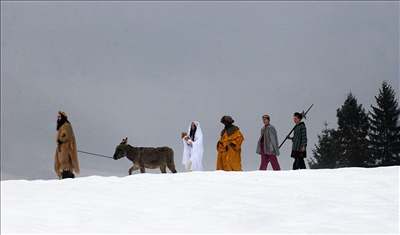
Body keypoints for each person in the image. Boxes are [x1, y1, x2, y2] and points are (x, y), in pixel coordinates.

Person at [54, 111, 80, 179]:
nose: (58, 118)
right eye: (58, 117)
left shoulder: (67, 125)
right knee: (58, 162)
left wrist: (61, 140)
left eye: (59, 117)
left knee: (66, 162)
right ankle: (63, 174)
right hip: (61, 148)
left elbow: (68, 136)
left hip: (66, 148)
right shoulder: (61, 126)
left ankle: (68, 174)